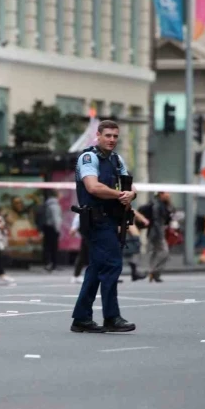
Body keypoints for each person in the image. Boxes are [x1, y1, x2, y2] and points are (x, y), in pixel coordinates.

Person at [70, 120, 137, 333]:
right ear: (97, 136)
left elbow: (129, 185)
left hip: (111, 220)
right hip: (96, 220)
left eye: (115, 136)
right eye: (108, 135)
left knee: (97, 269)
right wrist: (120, 195)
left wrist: (132, 194)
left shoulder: (116, 160)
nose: (112, 140)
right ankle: (111, 317)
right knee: (112, 265)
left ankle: (81, 318)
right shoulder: (88, 158)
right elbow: (93, 187)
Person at [147, 192, 173, 282]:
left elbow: (170, 215)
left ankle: (154, 273)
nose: (168, 195)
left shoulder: (163, 204)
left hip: (157, 231)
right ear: (160, 194)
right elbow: (156, 221)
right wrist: (160, 234)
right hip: (157, 232)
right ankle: (154, 270)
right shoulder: (157, 205)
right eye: (165, 193)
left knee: (156, 252)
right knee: (164, 252)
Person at [41, 190, 62, 272]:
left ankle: (47, 263)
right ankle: (53, 264)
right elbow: (56, 218)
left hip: (47, 227)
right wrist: (58, 229)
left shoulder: (47, 203)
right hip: (52, 228)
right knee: (53, 247)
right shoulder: (54, 205)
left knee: (47, 246)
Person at [69, 213, 87, 284]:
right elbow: (79, 215)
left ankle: (76, 275)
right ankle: (76, 275)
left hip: (90, 230)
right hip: (88, 230)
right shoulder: (86, 203)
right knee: (83, 253)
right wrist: (74, 227)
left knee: (84, 253)